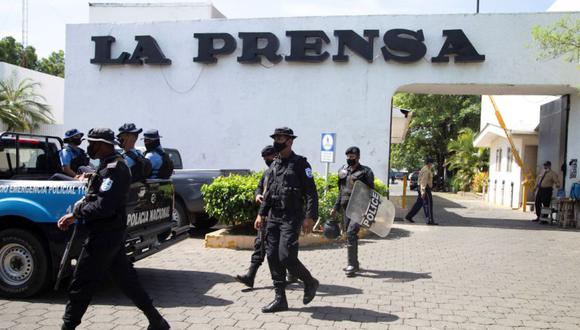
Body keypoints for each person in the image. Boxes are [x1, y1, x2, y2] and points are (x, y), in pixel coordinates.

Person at [57, 128, 169, 330]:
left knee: (81, 283)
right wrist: (77, 212)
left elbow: (103, 206)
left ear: (103, 145)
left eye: (92, 143)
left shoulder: (116, 169)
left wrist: (78, 212)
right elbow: (97, 196)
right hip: (110, 234)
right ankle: (157, 321)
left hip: (104, 236)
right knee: (127, 282)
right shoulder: (105, 166)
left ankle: (67, 326)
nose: (89, 147)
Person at [254, 127, 319, 313]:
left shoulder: (301, 164)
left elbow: (311, 192)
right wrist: (261, 213)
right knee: (272, 256)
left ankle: (310, 281)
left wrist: (310, 216)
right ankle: (280, 299)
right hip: (273, 216)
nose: (277, 140)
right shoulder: (274, 165)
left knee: (286, 256)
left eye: (281, 137)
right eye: (276, 137)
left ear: (290, 141)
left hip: (291, 217)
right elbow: (269, 193)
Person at [236, 145, 298, 288]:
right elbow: (259, 187)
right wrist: (257, 195)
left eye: (268, 157)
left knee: (284, 248)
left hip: (281, 215)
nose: (266, 160)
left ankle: (293, 273)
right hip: (265, 214)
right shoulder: (267, 173)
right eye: (264, 159)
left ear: (275, 155)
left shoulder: (288, 170)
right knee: (260, 244)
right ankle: (250, 276)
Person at [330, 146, 375, 277]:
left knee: (350, 233)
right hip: (345, 207)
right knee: (349, 234)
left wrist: (368, 209)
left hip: (358, 207)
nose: (350, 158)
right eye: (348, 156)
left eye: (352, 156)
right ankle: (354, 263)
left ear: (358, 157)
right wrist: (335, 207)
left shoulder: (366, 172)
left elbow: (371, 191)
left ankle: (352, 265)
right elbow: (341, 191)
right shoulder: (343, 171)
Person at [405, 157, 438, 225]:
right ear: (429, 163)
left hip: (423, 188)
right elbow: (423, 181)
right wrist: (423, 191)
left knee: (419, 204)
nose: (432, 165)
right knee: (428, 204)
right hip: (425, 188)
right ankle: (430, 220)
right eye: (432, 163)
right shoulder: (426, 170)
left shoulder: (426, 168)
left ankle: (409, 216)